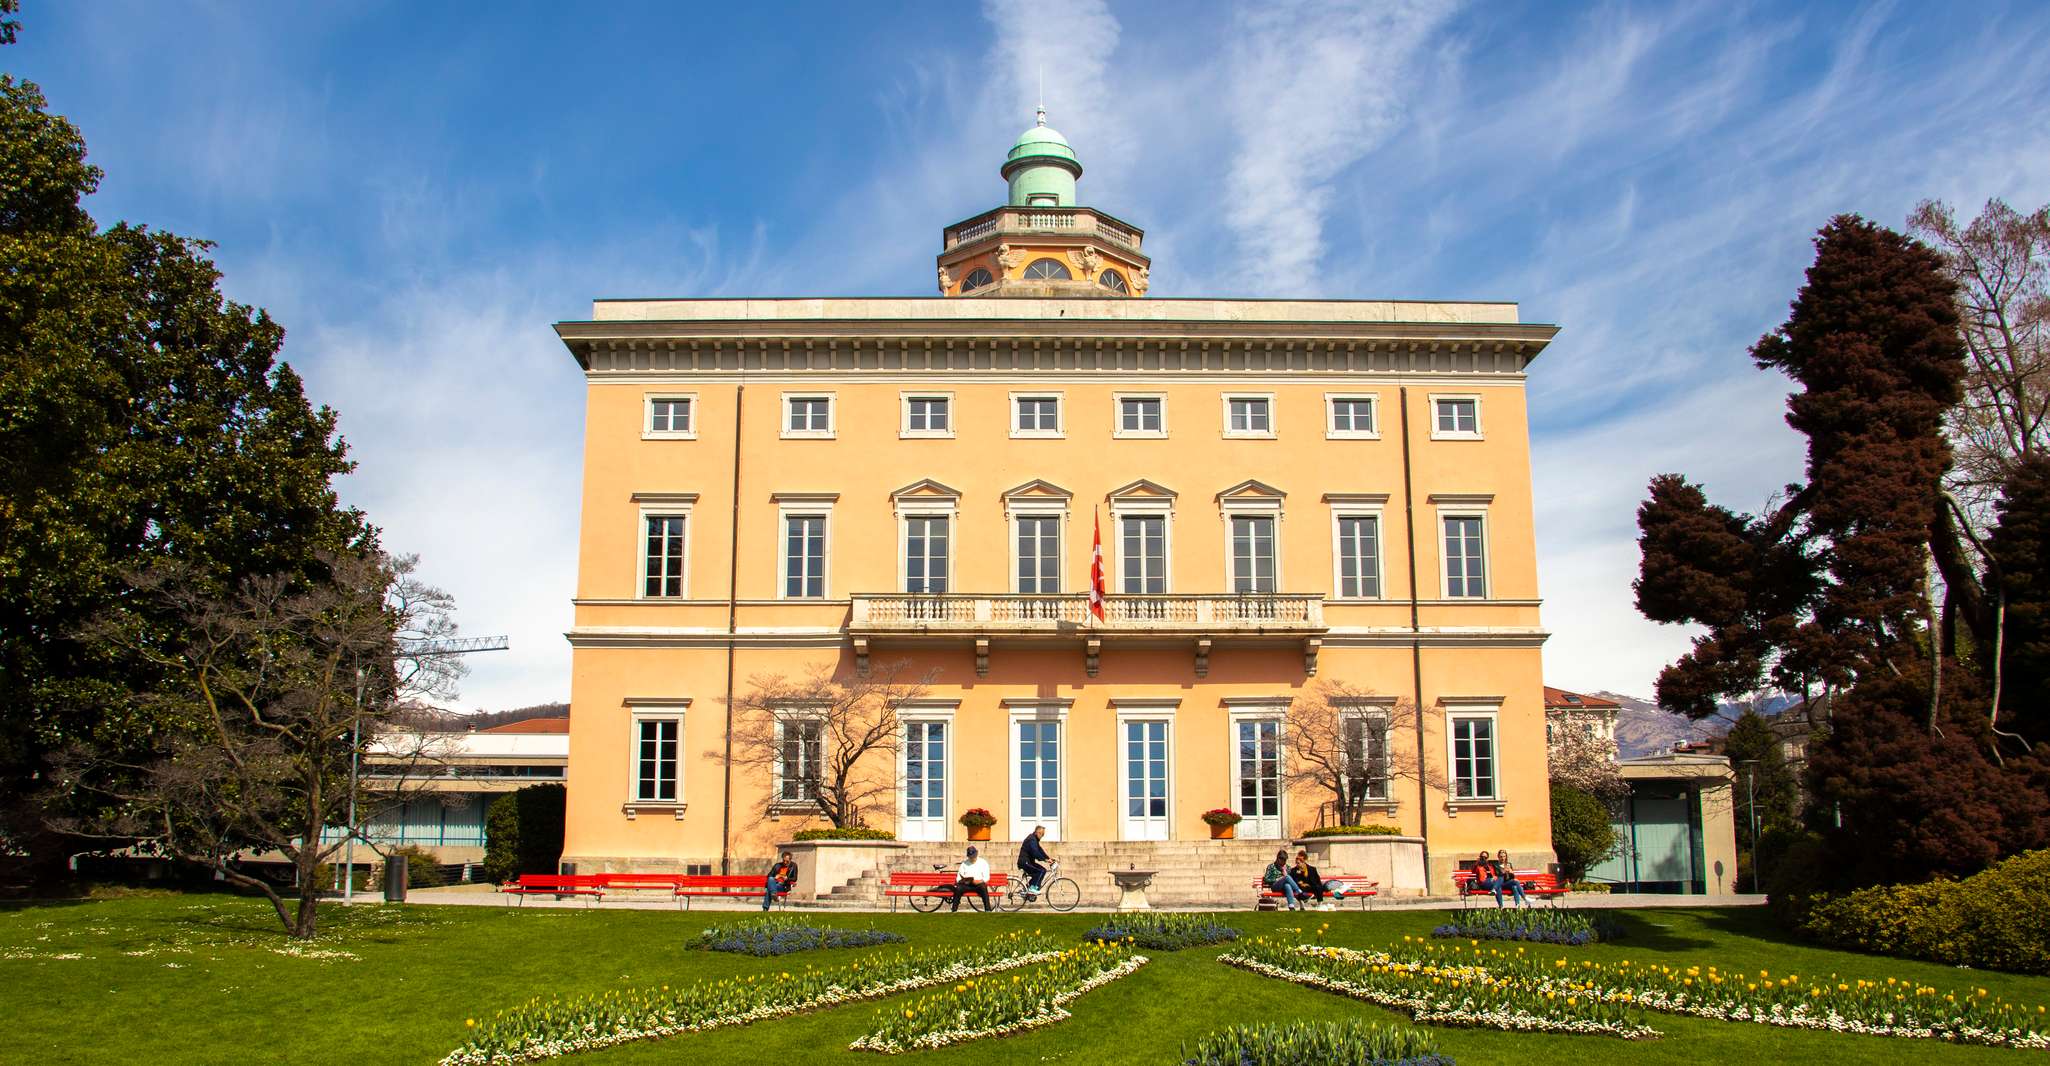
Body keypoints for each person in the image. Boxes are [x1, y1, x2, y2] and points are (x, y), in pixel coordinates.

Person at [947, 845, 993, 913]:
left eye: (973, 856)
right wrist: (964, 881)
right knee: (958, 889)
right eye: (970, 857)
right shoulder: (964, 864)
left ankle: (988, 909)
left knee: (983, 887)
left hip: (978, 884)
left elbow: (986, 877)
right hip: (967, 885)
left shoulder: (983, 863)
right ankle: (954, 910)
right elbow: (959, 877)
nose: (972, 858)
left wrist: (979, 881)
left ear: (976, 854)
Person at [1017, 825, 1052, 898]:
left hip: (1029, 862)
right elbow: (1035, 852)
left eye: (1043, 834)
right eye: (1041, 834)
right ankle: (1031, 888)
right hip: (1025, 862)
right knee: (1040, 871)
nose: (1042, 836)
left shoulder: (1034, 839)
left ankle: (1031, 887)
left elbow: (1040, 850)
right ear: (1037, 832)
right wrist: (1044, 859)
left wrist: (1048, 858)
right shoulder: (1031, 839)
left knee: (1043, 870)